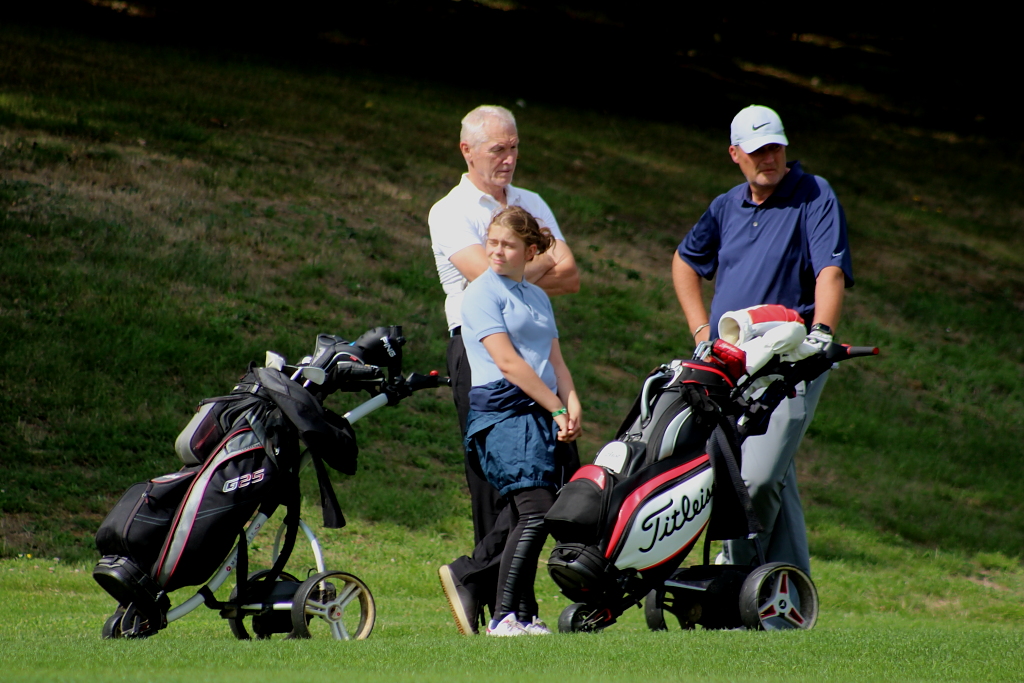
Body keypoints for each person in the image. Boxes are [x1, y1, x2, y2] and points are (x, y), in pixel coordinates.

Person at [671, 104, 854, 575]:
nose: (768, 158)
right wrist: (701, 331)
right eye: (756, 151)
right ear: (735, 154)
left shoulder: (813, 194)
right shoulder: (725, 205)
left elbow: (830, 271)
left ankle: (736, 576)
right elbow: (685, 261)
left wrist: (822, 333)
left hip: (790, 359)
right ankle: (787, 592)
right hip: (730, 361)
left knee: (756, 477)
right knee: (766, 473)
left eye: (774, 148)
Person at [428, 105, 580, 634]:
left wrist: (522, 272)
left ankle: (483, 585)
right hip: (482, 352)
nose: (509, 158)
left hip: (533, 343)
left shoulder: (531, 201)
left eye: (514, 147)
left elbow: (571, 275)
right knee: (501, 488)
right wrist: (535, 263)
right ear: (467, 151)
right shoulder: (449, 210)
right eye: (498, 149)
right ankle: (503, 605)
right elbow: (486, 281)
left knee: (549, 483)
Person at [460, 205, 582, 636]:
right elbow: (508, 363)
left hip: (540, 413)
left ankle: (524, 616)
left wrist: (571, 401)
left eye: (507, 245)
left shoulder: (538, 296)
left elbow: (555, 361)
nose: (496, 251)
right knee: (535, 512)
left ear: (530, 251)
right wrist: (556, 408)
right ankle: (503, 617)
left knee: (525, 517)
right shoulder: (480, 293)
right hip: (503, 415)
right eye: (491, 242)